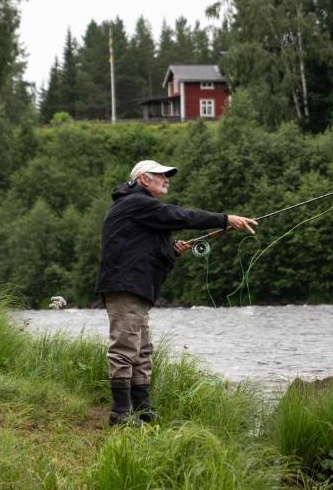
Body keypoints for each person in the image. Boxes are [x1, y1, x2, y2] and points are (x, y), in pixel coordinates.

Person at [95, 159, 258, 426]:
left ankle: (143, 409)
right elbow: (181, 216)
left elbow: (149, 253)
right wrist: (225, 219)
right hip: (126, 287)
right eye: (160, 175)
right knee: (125, 349)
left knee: (142, 350)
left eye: (167, 175)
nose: (166, 178)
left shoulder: (143, 213)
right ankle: (120, 414)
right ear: (143, 179)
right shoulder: (137, 203)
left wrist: (171, 252)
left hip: (136, 288)